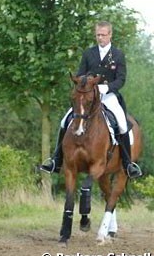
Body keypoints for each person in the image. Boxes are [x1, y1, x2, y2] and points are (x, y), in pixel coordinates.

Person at [39, 21, 142, 179]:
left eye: (103, 35)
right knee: (64, 121)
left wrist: (105, 88)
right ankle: (56, 160)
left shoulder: (118, 54)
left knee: (122, 123)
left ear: (110, 35)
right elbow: (81, 74)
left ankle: (128, 164)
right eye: (97, 35)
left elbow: (121, 80)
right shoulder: (89, 53)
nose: (100, 38)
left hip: (108, 95)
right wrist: (85, 84)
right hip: (88, 96)